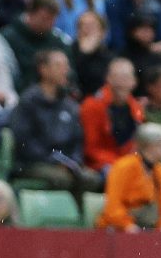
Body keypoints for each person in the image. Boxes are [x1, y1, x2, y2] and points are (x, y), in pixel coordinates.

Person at [8, 47, 99, 192]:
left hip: (65, 164)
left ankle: (77, 214)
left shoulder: (70, 105)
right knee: (61, 179)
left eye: (66, 66)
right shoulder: (28, 101)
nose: (65, 70)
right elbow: (24, 141)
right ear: (43, 69)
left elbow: (77, 140)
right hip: (32, 163)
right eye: (59, 66)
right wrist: (54, 161)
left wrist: (73, 161)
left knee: (90, 178)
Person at [98, 121, 161, 231]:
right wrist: (128, 226)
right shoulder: (123, 167)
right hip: (118, 229)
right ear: (151, 146)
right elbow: (113, 206)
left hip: (149, 229)